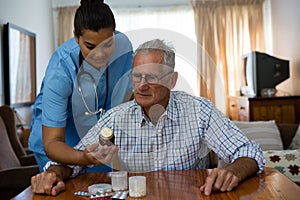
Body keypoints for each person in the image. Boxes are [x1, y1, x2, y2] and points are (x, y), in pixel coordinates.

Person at [31, 39, 265, 196]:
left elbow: (250, 152)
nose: (141, 86)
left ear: (171, 81)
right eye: (136, 77)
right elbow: (72, 162)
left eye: (151, 77)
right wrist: (52, 175)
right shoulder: (115, 120)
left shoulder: (200, 111)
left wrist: (233, 171)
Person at [28, 0, 133, 172]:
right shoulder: (61, 68)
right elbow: (53, 142)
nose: (100, 55)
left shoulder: (124, 48)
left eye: (107, 44)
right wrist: (82, 158)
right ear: (76, 37)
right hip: (58, 142)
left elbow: (124, 99)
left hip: (96, 139)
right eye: (90, 46)